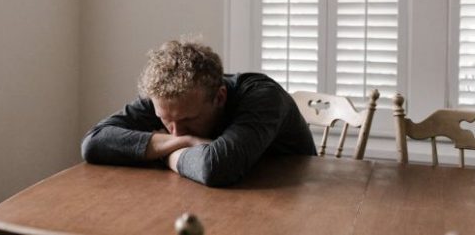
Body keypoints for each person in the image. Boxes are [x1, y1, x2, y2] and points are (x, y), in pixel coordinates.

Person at [81, 39, 316, 187]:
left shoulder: (263, 96)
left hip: (297, 199)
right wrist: (186, 142)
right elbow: (94, 143)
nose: (176, 131)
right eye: (166, 120)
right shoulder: (167, 98)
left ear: (219, 97)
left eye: (188, 120)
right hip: (217, 196)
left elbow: (216, 168)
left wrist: (164, 153)